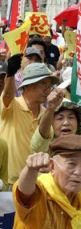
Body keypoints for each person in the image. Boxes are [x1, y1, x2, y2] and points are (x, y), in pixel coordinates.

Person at [1, 59, 60, 187]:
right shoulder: (12, 105)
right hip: (8, 184)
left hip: (35, 185)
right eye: (43, 83)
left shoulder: (48, 113)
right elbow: (7, 95)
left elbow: (44, 146)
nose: (47, 89)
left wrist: (51, 109)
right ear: (27, 85)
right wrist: (10, 74)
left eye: (49, 85)